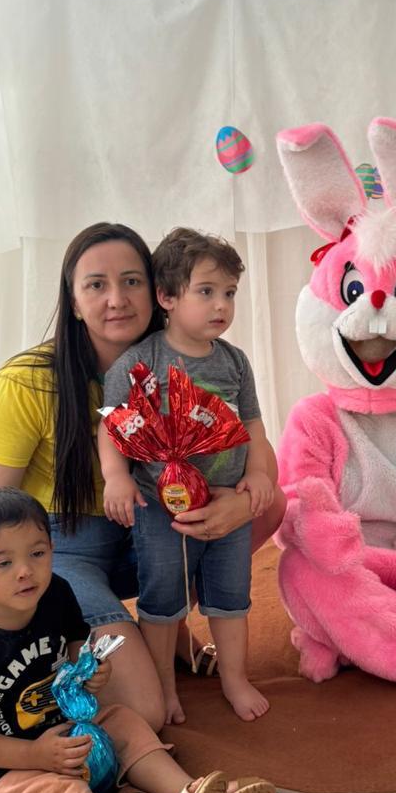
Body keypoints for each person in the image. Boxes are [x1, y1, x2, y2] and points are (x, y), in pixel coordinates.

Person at [0, 222, 286, 732]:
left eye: (131, 281)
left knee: (271, 504)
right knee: (145, 709)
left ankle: (169, 624)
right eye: (96, 285)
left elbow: (252, 439)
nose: (117, 299)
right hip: (69, 548)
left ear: (157, 292)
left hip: (148, 527)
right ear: (73, 302)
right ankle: (123, 632)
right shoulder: (27, 384)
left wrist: (240, 504)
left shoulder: (195, 359)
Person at [0, 489, 275, 793]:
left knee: (124, 720)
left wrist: (90, 671)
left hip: (62, 734)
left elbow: (77, 643)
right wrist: (34, 756)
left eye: (38, 553)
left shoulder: (56, 593)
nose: (25, 571)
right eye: (4, 563)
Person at [100, 229, 273, 725]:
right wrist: (116, 477)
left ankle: (234, 678)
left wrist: (258, 471)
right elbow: (111, 425)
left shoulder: (234, 362)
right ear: (167, 297)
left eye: (230, 293)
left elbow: (253, 424)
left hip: (228, 501)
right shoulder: (141, 363)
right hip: (162, 509)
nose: (222, 305)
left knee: (231, 596)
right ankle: (164, 686)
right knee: (162, 599)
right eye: (207, 291)